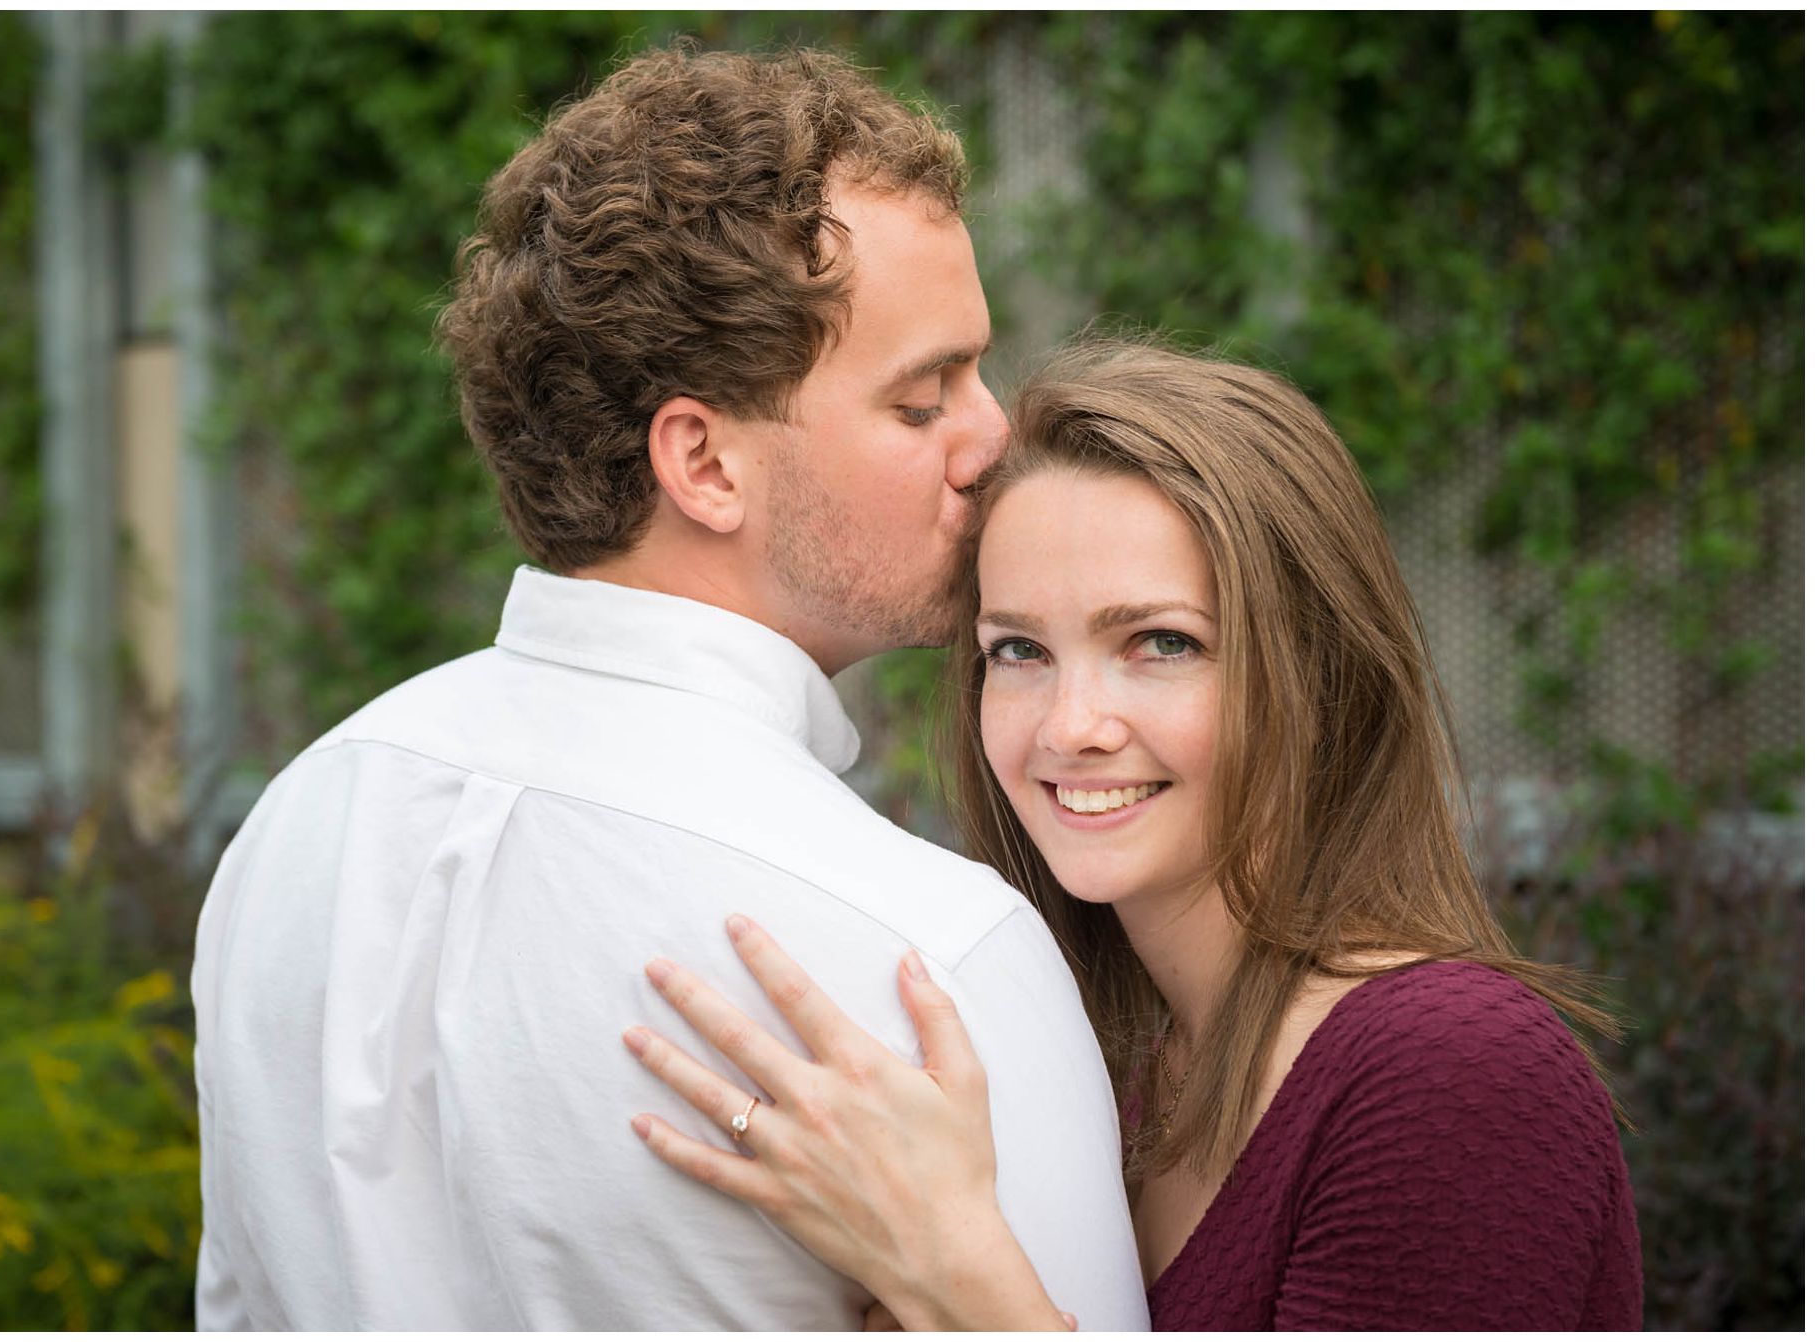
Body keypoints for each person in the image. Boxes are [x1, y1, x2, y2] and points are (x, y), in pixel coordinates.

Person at [189, 47, 1148, 1330]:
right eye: (922, 400)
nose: (990, 438)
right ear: (702, 461)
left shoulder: (300, 823)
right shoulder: (926, 958)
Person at [624, 337, 1646, 1330]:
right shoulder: (1113, 1085)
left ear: (1319, 675)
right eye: (1018, 649)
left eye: (1160, 642)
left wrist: (967, 1286)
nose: (1071, 725)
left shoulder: (1452, 1075)